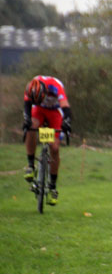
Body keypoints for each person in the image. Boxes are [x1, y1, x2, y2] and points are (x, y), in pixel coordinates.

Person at [22, 75, 72, 205]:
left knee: (54, 148)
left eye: (41, 98)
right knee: (31, 127)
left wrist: (67, 121)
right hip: (39, 111)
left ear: (45, 92)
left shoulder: (55, 86)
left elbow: (65, 106)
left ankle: (52, 187)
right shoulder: (30, 88)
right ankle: (31, 165)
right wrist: (26, 121)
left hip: (55, 112)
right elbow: (27, 108)